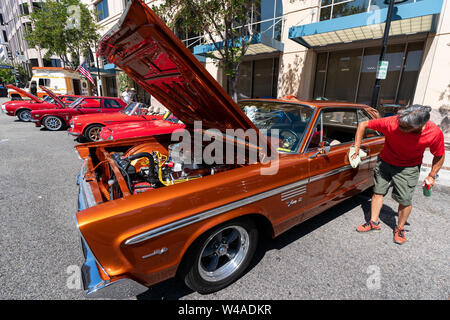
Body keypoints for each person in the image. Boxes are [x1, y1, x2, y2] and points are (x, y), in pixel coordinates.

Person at [352, 105, 445, 245]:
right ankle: (373, 222)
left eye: (404, 127)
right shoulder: (392, 122)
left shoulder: (434, 133)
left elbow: (439, 155)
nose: (399, 127)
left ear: (420, 125)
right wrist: (356, 148)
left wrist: (432, 175)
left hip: (409, 168)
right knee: (377, 192)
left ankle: (399, 228)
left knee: (405, 200)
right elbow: (363, 124)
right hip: (385, 162)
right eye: (400, 123)